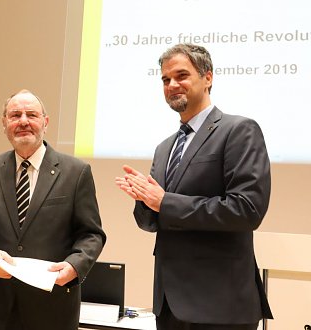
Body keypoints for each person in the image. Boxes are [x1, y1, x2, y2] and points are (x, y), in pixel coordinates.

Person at [115, 44, 272, 330]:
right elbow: (151, 223)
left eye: (181, 75)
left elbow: (247, 209)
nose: (172, 85)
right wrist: (143, 200)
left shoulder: (238, 130)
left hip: (220, 305)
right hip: (169, 305)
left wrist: (164, 202)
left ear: (208, 78)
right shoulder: (164, 148)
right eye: (165, 79)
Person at [0, 89, 106, 330]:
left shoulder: (75, 171)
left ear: (45, 122)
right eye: (15, 115)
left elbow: (91, 234)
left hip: (54, 307)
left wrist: (74, 266)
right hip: (1, 307)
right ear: (4, 123)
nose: (23, 122)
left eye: (31, 115)